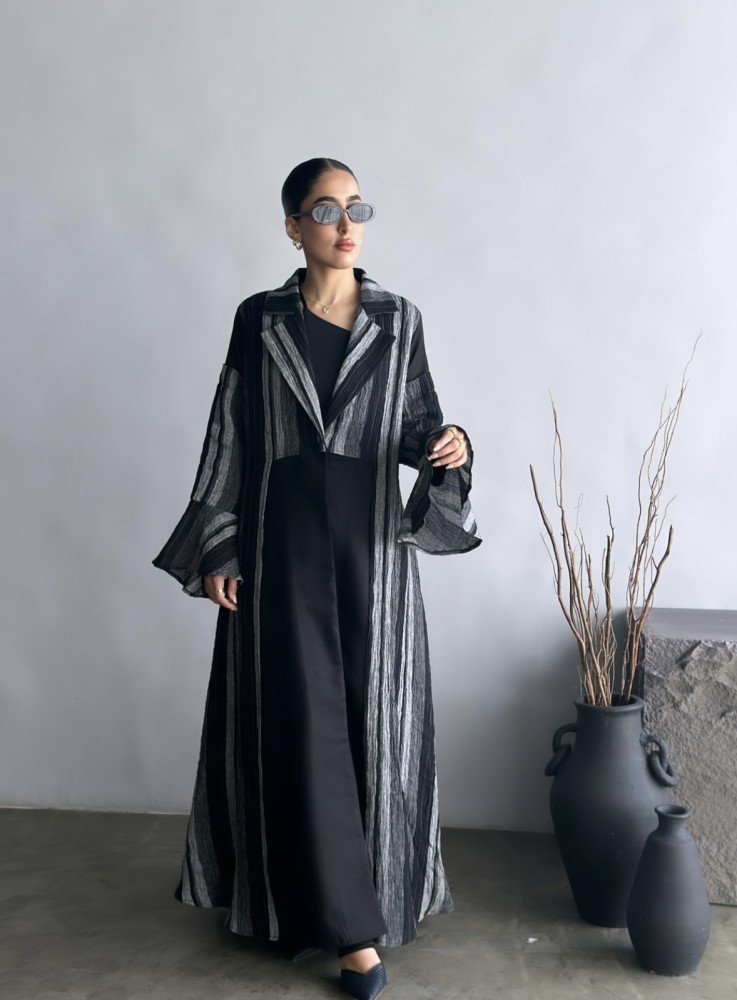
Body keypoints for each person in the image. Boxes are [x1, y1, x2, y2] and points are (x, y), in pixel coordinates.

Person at [153, 157, 482, 1000]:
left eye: (356, 208)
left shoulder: (397, 320)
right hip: (279, 547)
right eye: (326, 209)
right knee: (295, 728)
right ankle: (345, 936)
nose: (346, 225)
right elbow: (230, 433)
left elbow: (414, 425)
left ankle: (363, 904)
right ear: (293, 227)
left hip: (370, 552)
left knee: (374, 725)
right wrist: (219, 545)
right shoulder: (259, 320)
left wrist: (449, 447)